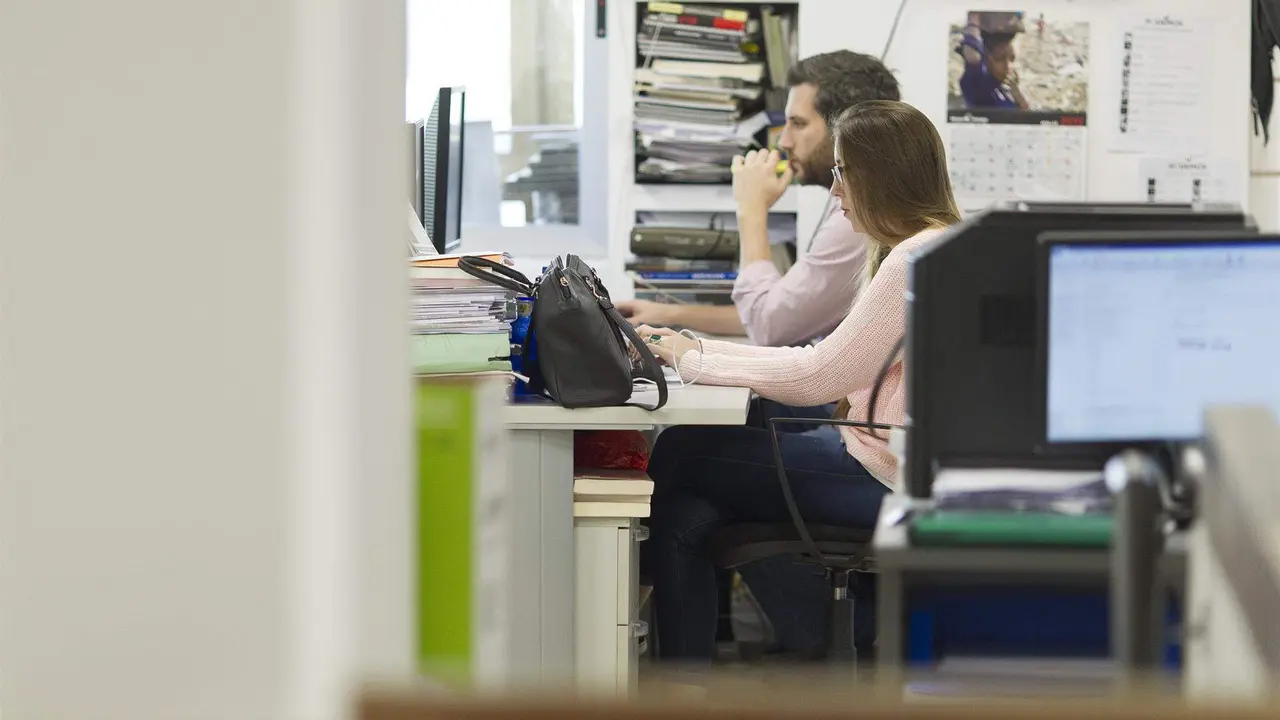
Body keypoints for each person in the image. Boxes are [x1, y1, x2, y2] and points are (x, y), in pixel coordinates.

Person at [637, 100, 962, 667]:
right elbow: (824, 360)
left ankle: (680, 673)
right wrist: (698, 348)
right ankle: (692, 672)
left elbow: (820, 375)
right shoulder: (934, 244)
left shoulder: (914, 256)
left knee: (681, 452)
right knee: (691, 498)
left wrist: (692, 361)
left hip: (887, 477)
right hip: (888, 459)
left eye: (841, 173)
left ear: (876, 175)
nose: (835, 192)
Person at [617, 51, 900, 348]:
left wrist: (752, 209)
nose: (784, 141)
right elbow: (776, 310)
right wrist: (668, 313)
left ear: (848, 128)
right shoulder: (868, 195)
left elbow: (769, 327)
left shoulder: (861, 220)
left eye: (798, 124)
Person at [956, 21, 1030, 110]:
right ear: (987, 59)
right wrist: (974, 19)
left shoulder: (1006, 90)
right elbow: (972, 57)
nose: (1008, 66)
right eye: (1000, 59)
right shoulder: (978, 84)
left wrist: (1018, 97)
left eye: (1012, 59)